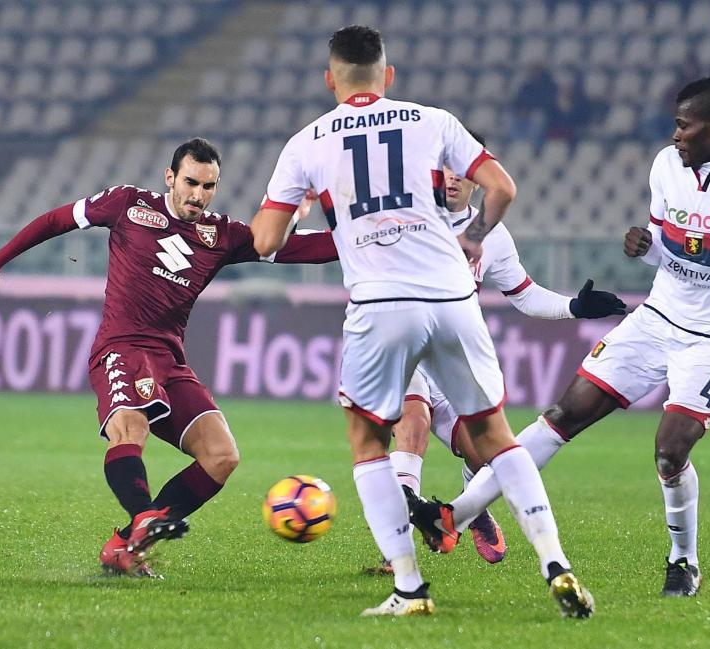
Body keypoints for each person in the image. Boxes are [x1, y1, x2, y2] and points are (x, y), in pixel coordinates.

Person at [406, 77, 710, 598]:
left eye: (684, 125)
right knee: (562, 415)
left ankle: (683, 560)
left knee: (670, 452)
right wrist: (646, 248)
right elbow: (673, 247)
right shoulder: (666, 166)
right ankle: (454, 517)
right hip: (657, 318)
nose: (675, 136)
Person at [250, 25, 595, 619]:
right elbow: (502, 188)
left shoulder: (305, 143)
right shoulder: (430, 119)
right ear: (388, 77)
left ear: (329, 80)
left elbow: (264, 242)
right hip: (452, 295)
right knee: (495, 436)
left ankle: (409, 587)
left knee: (367, 441)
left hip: (381, 304)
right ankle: (555, 564)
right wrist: (474, 239)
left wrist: (304, 204)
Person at [0, 138, 337, 577]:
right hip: (121, 347)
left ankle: (127, 543)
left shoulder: (222, 235)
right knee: (132, 425)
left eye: (208, 186)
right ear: (170, 177)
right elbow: (55, 220)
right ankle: (145, 517)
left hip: (171, 359)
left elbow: (305, 249)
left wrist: (366, 240)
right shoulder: (127, 204)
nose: (198, 195)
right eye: (190, 183)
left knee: (222, 456)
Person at [389, 140, 624, 568]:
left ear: (479, 180)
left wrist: (575, 307)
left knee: (487, 460)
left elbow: (525, 294)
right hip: (404, 347)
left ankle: (471, 506)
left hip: (453, 357)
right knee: (413, 424)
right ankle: (398, 554)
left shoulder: (491, 235)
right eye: (447, 167)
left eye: (464, 170)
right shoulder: (408, 219)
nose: (455, 177)